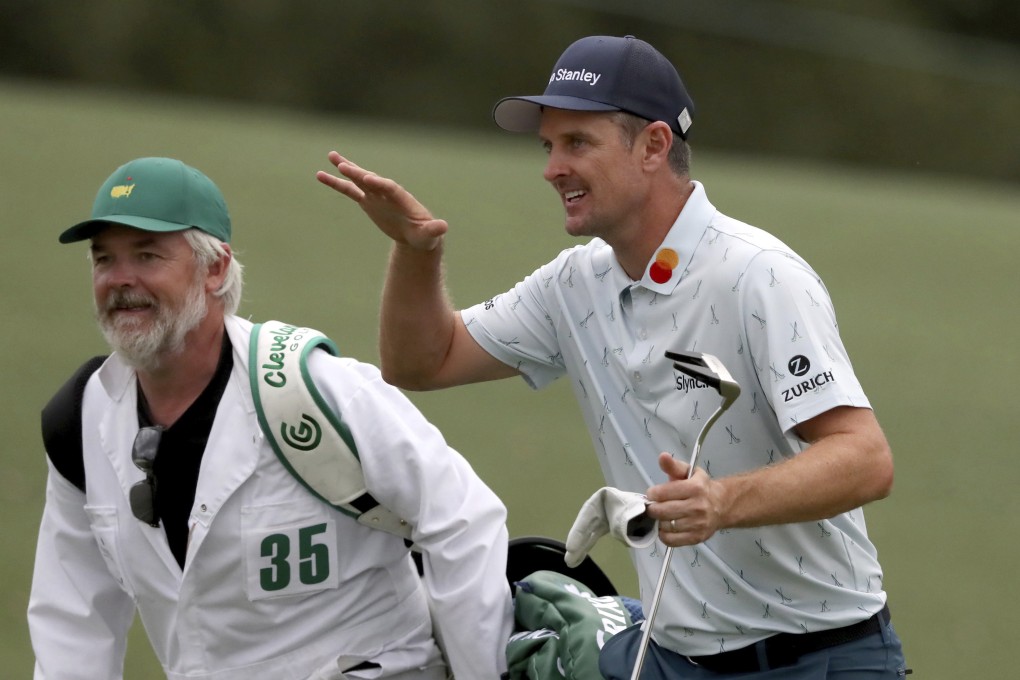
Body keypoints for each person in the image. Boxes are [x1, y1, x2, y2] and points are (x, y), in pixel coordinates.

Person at [316, 35, 909, 678]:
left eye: (577, 143)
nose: (551, 168)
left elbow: (865, 459)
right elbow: (423, 362)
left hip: (824, 656)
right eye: (549, 146)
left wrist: (723, 502)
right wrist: (415, 252)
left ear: (653, 146)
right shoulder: (575, 284)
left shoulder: (759, 275)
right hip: (677, 657)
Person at [28, 156, 513, 680]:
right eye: (104, 260)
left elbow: (462, 518)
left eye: (147, 256)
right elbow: (73, 615)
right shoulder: (79, 421)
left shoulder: (313, 388)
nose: (120, 280)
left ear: (214, 269)